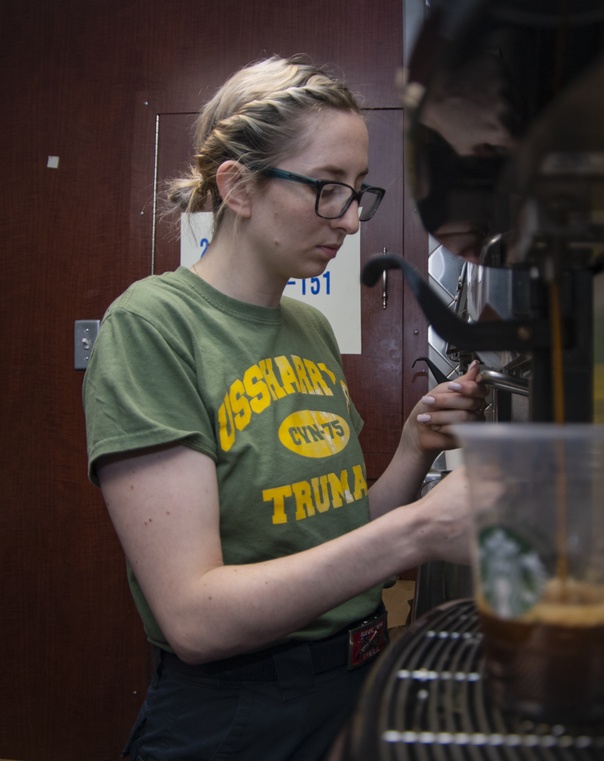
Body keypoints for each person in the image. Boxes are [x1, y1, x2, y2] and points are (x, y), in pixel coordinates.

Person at [82, 55, 487, 761]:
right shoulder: (152, 325)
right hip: (240, 713)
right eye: (328, 189)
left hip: (354, 679)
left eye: (361, 191)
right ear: (237, 186)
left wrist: (413, 449)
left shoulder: (309, 328)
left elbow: (333, 531)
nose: (352, 219)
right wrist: (420, 532)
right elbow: (196, 616)